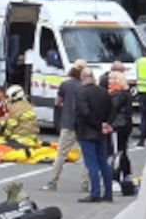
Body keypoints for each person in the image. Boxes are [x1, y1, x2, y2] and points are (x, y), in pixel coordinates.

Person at [41, 59, 86, 191]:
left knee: (61, 154)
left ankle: (53, 181)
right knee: (85, 155)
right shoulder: (85, 86)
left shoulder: (65, 85)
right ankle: (85, 183)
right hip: (83, 125)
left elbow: (57, 102)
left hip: (68, 123)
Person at [75, 67, 113, 202]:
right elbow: (111, 109)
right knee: (103, 162)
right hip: (101, 133)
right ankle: (108, 192)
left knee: (92, 164)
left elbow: (84, 113)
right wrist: (106, 123)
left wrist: (97, 124)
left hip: (87, 132)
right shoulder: (103, 92)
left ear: (82, 77)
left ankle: (95, 193)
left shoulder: (81, 93)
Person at [108, 69, 134, 187]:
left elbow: (113, 110)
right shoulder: (126, 93)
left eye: (111, 79)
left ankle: (116, 177)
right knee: (122, 150)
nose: (109, 81)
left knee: (117, 152)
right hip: (126, 125)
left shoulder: (116, 94)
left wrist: (108, 123)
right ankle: (126, 174)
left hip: (117, 125)